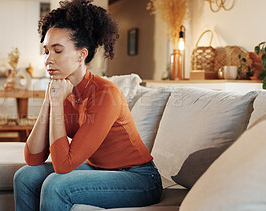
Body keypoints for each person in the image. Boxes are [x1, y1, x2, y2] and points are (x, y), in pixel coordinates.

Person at [13, 0, 162, 210]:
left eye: (57, 51)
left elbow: (63, 166)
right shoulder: (63, 90)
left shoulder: (105, 94)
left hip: (138, 178)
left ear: (81, 54)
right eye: (46, 51)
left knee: (56, 185)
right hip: (100, 170)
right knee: (25, 176)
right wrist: (49, 100)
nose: (48, 60)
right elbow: (33, 158)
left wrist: (56, 104)